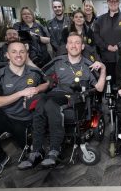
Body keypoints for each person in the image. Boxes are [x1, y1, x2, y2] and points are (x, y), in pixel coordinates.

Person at [18, 32, 106, 169]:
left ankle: (54, 150)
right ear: (66, 46)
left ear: (82, 46)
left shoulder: (89, 65)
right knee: (40, 103)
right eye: (70, 42)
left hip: (74, 97)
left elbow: (100, 88)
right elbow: (40, 73)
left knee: (48, 104)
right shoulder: (58, 61)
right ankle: (36, 151)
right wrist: (32, 88)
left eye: (77, 42)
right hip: (54, 94)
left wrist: (104, 68)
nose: (73, 45)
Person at [0, 41, 48, 177]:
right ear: (7, 55)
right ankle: (1, 157)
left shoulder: (34, 72)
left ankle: (28, 144)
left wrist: (37, 89)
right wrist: (21, 93)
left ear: (26, 54)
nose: (18, 55)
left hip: (27, 119)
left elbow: (47, 83)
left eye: (22, 51)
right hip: (6, 115)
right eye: (14, 51)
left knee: (33, 153)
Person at [93, 0, 121, 84]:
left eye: (115, 0)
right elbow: (96, 36)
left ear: (119, 2)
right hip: (105, 58)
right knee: (108, 83)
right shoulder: (100, 20)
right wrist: (107, 46)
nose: (113, 3)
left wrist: (118, 46)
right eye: (110, 0)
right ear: (107, 2)